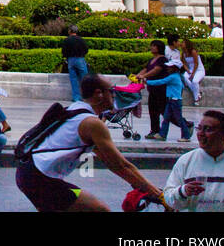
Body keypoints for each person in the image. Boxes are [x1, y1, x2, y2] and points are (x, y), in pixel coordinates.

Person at [16, 74, 166, 212]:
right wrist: (156, 193)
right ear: (98, 94)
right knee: (100, 210)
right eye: (111, 90)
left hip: (31, 173)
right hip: (40, 178)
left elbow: (109, 160)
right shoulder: (91, 123)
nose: (114, 94)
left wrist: (141, 185)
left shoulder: (76, 109)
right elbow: (121, 165)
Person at [133, 40, 171, 139]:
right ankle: (154, 130)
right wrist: (138, 75)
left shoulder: (162, 60)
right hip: (152, 89)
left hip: (161, 89)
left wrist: (143, 76)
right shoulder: (152, 60)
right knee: (153, 110)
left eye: (154, 46)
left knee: (164, 110)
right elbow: (146, 69)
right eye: (152, 46)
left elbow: (156, 70)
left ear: (159, 48)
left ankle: (185, 125)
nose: (152, 47)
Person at [61, 24, 89, 101]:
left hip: (71, 60)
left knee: (73, 79)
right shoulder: (81, 40)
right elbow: (86, 50)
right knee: (84, 79)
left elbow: (64, 52)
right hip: (80, 59)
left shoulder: (67, 40)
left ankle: (76, 98)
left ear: (70, 31)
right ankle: (85, 96)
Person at [181, 38, 205, 103]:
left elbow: (196, 63)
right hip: (190, 69)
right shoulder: (183, 53)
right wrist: (187, 70)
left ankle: (196, 98)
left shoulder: (193, 52)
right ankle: (197, 93)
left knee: (194, 81)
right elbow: (183, 63)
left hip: (199, 70)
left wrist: (193, 74)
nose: (181, 44)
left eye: (183, 42)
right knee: (184, 77)